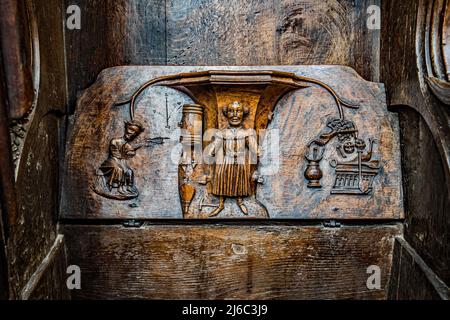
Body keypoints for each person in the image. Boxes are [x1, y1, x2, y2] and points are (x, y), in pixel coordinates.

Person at [206, 101, 259, 217]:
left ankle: (240, 201)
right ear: (226, 114)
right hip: (226, 161)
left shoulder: (246, 133)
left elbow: (254, 148)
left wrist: (258, 150)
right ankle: (220, 204)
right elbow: (215, 146)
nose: (235, 115)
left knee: (239, 180)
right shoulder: (222, 133)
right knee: (222, 180)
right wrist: (211, 150)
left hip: (240, 163)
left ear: (243, 113)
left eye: (238, 111)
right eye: (231, 111)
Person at [94, 120, 145, 199]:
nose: (132, 133)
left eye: (136, 133)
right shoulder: (115, 141)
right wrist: (131, 150)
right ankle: (114, 187)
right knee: (119, 169)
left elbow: (130, 153)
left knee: (129, 171)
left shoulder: (128, 145)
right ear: (126, 128)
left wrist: (132, 150)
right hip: (111, 162)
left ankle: (126, 188)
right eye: (131, 129)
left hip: (121, 162)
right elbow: (117, 155)